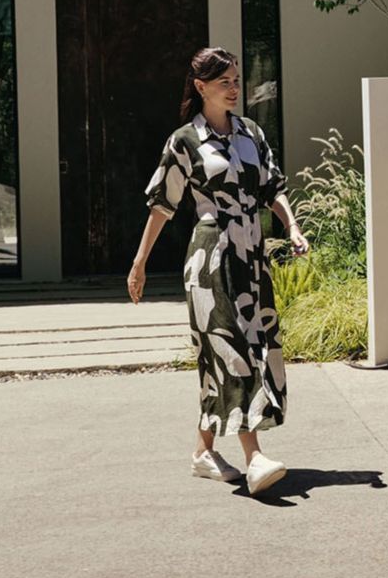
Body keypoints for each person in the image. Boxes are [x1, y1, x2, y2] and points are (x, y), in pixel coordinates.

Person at [127, 46, 306, 494]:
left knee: (240, 350)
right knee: (233, 352)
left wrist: (293, 226)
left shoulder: (251, 134)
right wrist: (139, 263)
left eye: (236, 80)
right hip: (211, 260)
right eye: (223, 81)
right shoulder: (185, 141)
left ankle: (203, 452)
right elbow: (162, 206)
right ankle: (255, 457)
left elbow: (273, 187)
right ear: (201, 87)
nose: (233, 88)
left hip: (251, 257)